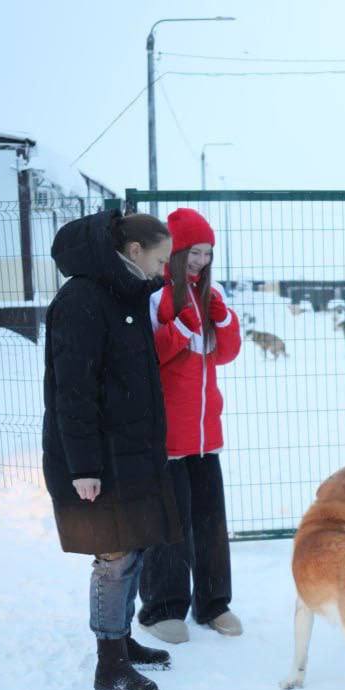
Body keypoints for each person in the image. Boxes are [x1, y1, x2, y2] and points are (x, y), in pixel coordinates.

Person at [42, 209, 180, 690]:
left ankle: (121, 641)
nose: (165, 272)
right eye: (161, 260)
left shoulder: (124, 293)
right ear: (135, 251)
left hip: (131, 452)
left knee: (132, 546)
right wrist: (83, 468)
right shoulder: (81, 299)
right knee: (113, 557)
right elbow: (72, 392)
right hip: (97, 461)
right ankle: (110, 663)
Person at [137, 208, 243, 644]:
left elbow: (224, 354)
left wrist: (221, 317)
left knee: (211, 525)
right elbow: (148, 358)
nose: (200, 260)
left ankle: (214, 604)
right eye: (193, 252)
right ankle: (162, 608)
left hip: (205, 435)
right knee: (170, 526)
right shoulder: (155, 295)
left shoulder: (209, 292)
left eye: (207, 252)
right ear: (175, 252)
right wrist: (179, 327)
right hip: (168, 436)